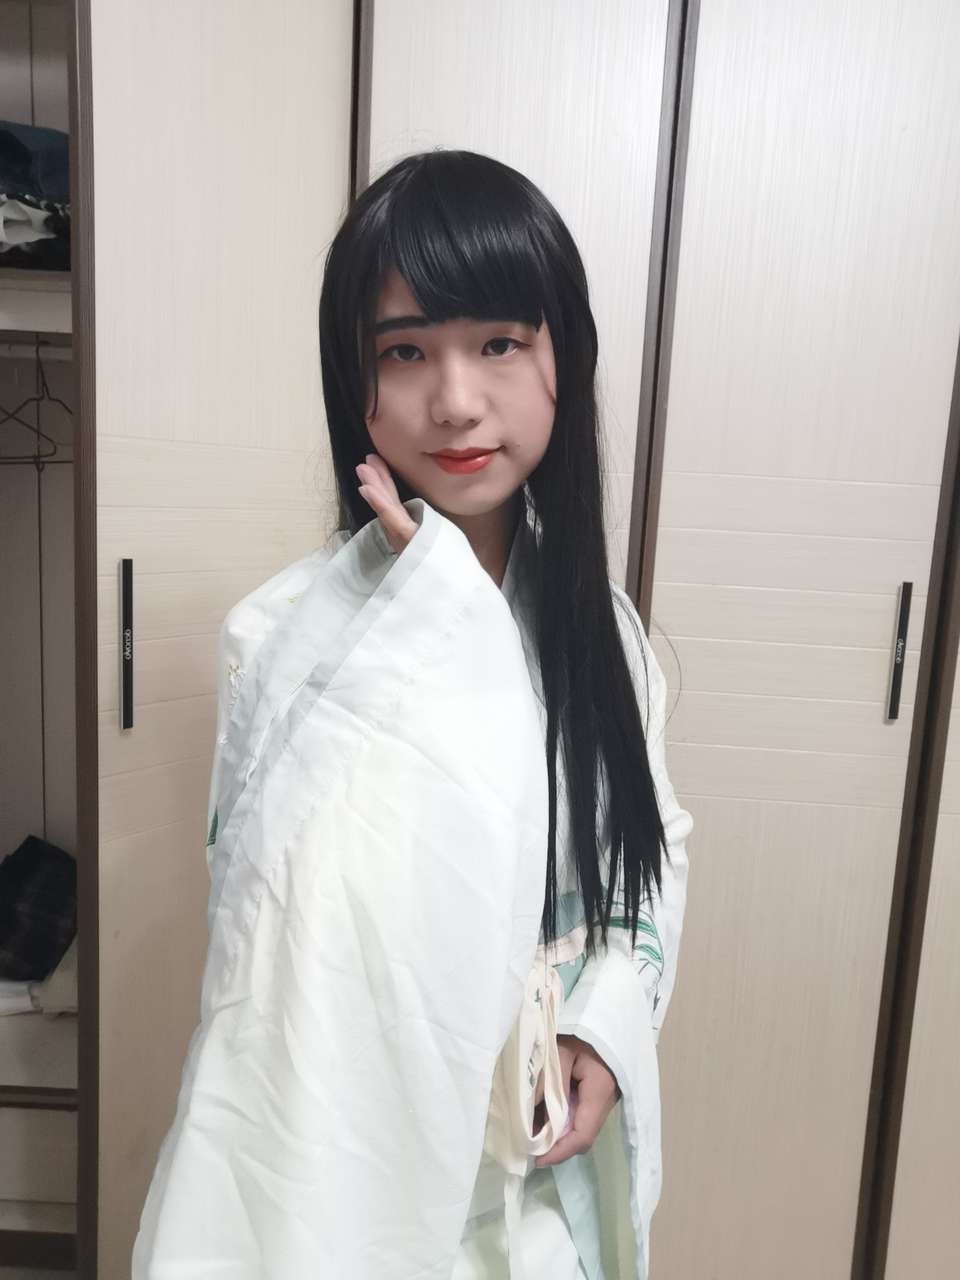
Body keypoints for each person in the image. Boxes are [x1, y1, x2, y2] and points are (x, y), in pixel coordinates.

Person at [131, 149, 693, 1280]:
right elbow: (275, 935)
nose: (455, 399)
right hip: (360, 1153)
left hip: (545, 1148)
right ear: (355, 382)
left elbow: (651, 851)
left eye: (500, 343)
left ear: (565, 358)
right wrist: (432, 618)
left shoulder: (607, 634)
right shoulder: (280, 635)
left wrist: (603, 1026)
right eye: (404, 351)